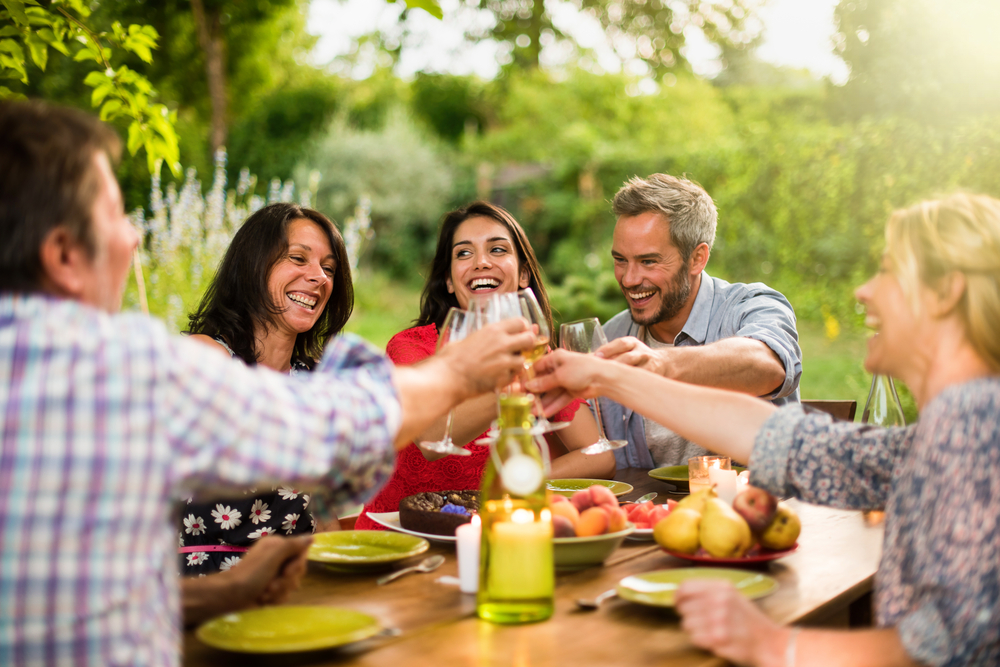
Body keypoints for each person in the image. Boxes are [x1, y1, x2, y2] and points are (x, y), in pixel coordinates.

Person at [0, 100, 535, 666]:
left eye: (328, 266)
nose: (134, 238)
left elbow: (87, 594)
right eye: (113, 216)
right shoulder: (121, 367)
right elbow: (331, 425)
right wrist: (458, 371)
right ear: (62, 252)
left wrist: (224, 591)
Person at [528, 193, 1000, 666]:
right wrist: (613, 377)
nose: (864, 290)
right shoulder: (947, 431)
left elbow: (948, 643)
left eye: (889, 271)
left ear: (946, 292)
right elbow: (784, 440)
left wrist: (772, 645)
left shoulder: (974, 417)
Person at [355, 202, 614, 530]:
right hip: (402, 539)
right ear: (449, 281)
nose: (481, 262)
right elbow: (433, 438)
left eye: (497, 249)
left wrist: (517, 481)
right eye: (463, 254)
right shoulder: (410, 347)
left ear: (522, 274)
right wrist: (520, 381)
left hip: (490, 531)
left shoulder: (534, 350)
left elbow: (599, 454)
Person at [178, 202, 350, 581]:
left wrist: (345, 575)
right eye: (297, 258)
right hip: (207, 586)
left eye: (328, 268)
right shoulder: (204, 357)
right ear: (254, 265)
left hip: (295, 586)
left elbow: (321, 514)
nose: (318, 277)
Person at [599, 173, 802, 469]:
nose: (629, 279)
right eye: (620, 260)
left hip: (755, 510)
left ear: (697, 259)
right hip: (651, 513)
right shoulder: (611, 336)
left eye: (648, 262)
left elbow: (769, 365)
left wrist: (660, 363)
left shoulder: (752, 306)